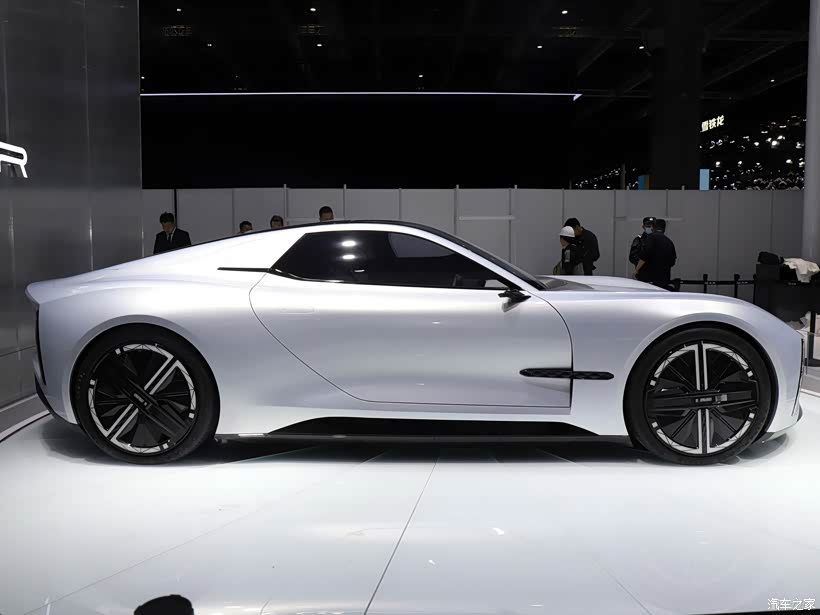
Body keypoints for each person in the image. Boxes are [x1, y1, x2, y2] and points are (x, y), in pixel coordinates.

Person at [635, 218, 677, 288]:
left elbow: (644, 256)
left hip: (649, 279)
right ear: (664, 229)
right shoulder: (669, 241)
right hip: (664, 279)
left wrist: (636, 270)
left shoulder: (651, 238)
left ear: (653, 227)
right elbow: (672, 262)